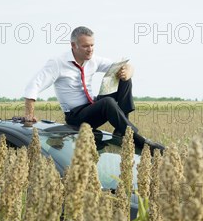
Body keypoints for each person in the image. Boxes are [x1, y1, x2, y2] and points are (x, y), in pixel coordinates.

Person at [24, 26, 164, 154]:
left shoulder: (93, 60)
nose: (90, 49)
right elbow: (33, 85)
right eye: (85, 46)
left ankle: (122, 132)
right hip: (76, 116)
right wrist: (29, 115)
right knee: (108, 102)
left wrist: (128, 72)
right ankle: (137, 139)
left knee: (124, 79)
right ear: (74, 45)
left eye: (92, 45)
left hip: (92, 107)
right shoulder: (57, 63)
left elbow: (124, 65)